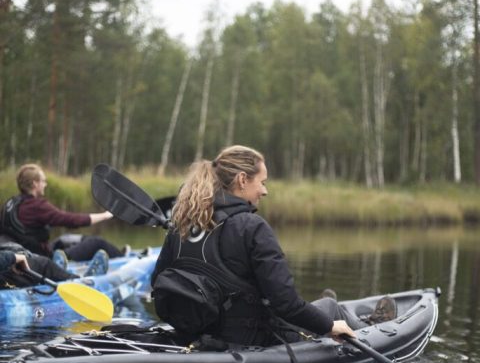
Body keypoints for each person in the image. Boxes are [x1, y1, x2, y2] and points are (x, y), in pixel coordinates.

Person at [151, 145, 396, 347]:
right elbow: (286, 305)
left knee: (321, 308)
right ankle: (377, 326)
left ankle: (323, 311)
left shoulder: (181, 224)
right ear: (242, 180)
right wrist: (329, 326)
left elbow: (157, 282)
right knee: (331, 308)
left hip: (197, 333)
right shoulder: (252, 227)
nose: (265, 191)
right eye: (263, 182)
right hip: (253, 339)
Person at [0, 163, 124, 262]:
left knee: (64, 239)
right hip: (45, 259)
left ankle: (121, 253)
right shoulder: (37, 206)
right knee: (97, 242)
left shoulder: (10, 204)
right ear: (34, 184)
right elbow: (70, 220)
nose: (45, 184)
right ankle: (125, 259)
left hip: (27, 253)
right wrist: (105, 215)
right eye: (43, 181)